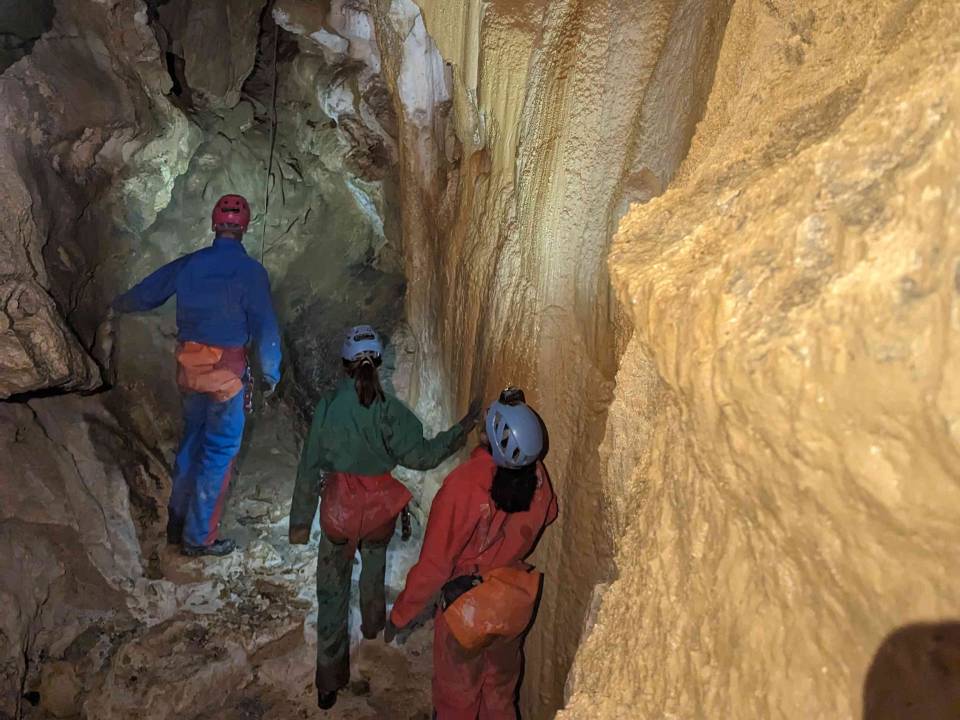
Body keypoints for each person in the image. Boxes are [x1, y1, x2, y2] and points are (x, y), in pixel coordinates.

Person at [289, 324, 481, 711]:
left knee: (332, 591)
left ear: (345, 365)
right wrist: (462, 429)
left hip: (340, 514)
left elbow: (310, 465)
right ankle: (373, 625)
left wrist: (299, 524)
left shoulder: (328, 406)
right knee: (374, 564)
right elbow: (423, 456)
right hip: (378, 513)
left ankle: (328, 682)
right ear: (378, 363)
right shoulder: (392, 412)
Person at [107, 194, 281, 557]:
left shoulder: (191, 264)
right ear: (244, 227)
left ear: (214, 225)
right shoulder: (251, 272)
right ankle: (200, 538)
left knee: (192, 442)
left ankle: (176, 522)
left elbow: (147, 294)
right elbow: (265, 327)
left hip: (189, 371)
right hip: (226, 377)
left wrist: (113, 303)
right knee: (218, 452)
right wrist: (270, 373)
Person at [387, 393, 558, 719]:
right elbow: (549, 513)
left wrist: (401, 615)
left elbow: (435, 568)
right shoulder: (537, 477)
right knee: (499, 696)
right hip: (509, 603)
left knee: (457, 701)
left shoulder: (465, 486)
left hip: (466, 607)